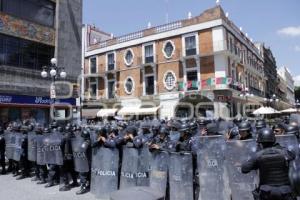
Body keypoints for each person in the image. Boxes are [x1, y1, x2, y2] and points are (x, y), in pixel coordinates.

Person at [241, 128, 296, 200]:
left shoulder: (258, 155)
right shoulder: (285, 152)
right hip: (284, 192)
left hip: (266, 193)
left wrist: (256, 164)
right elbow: (293, 155)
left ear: (260, 142)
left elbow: (244, 169)